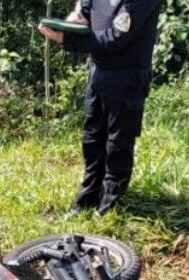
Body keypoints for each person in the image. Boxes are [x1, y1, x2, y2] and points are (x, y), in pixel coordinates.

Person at [39, 0, 162, 215]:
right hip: (99, 72)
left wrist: (66, 40)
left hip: (128, 76)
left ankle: (109, 206)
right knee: (93, 140)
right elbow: (85, 10)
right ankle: (86, 200)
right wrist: (73, 20)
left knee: (118, 144)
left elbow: (116, 37)